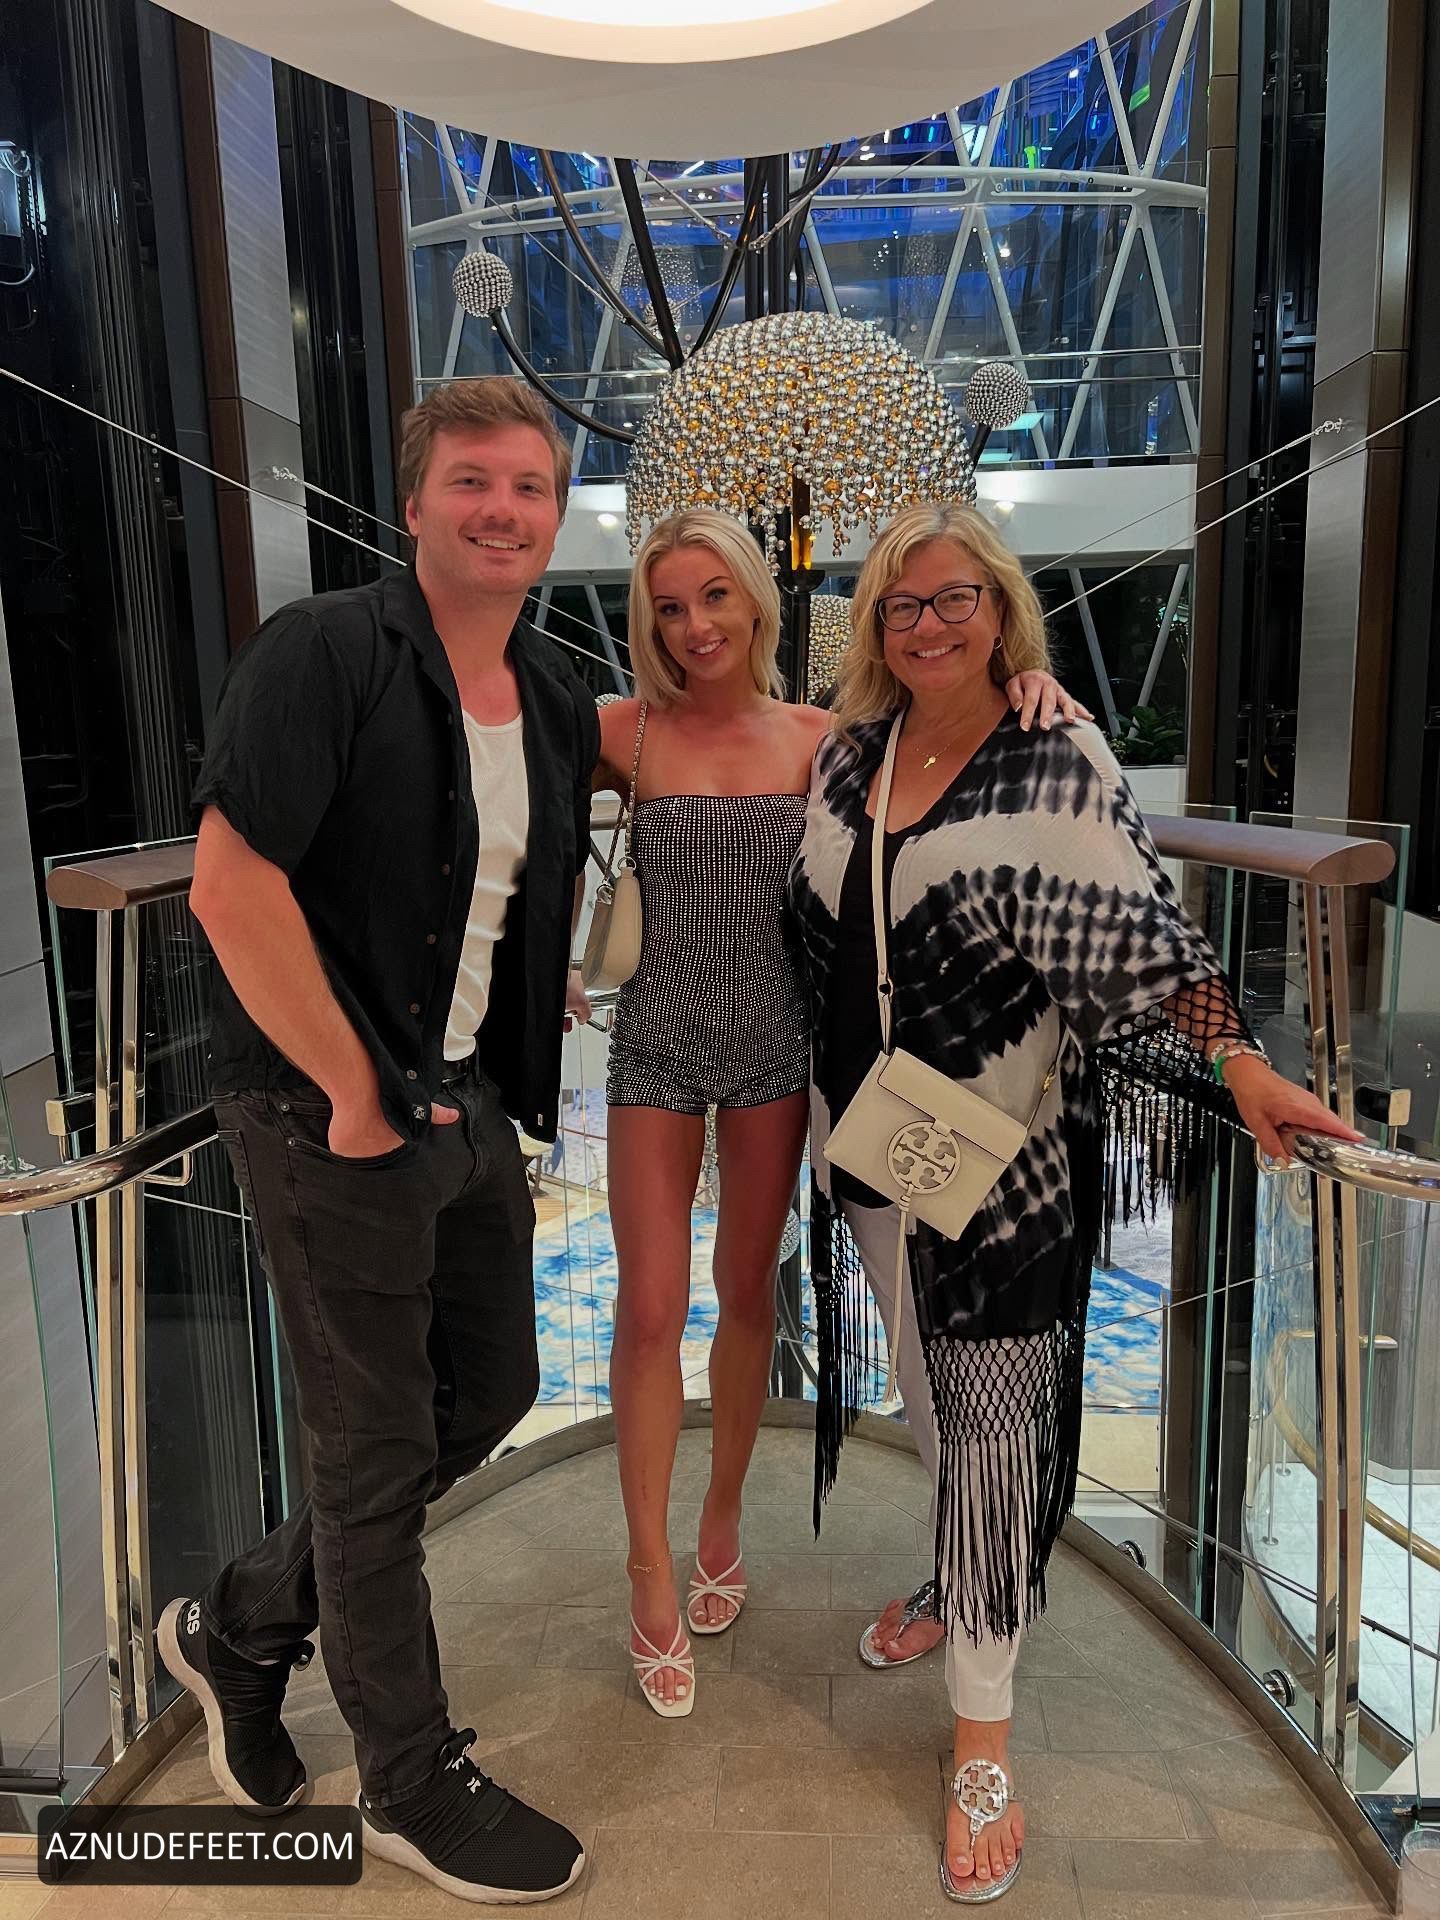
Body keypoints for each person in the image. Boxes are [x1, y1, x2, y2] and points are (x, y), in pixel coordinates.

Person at [787, 501, 1360, 1901]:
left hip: (1006, 1158)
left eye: (955, 599)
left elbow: (1145, 933)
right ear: (874, 626)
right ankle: (956, 1582)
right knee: (933, 1400)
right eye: (902, 605)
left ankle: (983, 1737)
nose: (929, 624)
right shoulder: (851, 753)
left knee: (994, 1431)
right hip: (871, 1140)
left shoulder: (1057, 753)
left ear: (1000, 607)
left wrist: (1239, 1064)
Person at [161, 377, 596, 1904]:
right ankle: (408, 1780)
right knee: (376, 1443)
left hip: (465, 1097)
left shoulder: (548, 693)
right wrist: (354, 1091)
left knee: (494, 1389)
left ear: (556, 516)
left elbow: (688, 744)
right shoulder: (327, 652)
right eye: (472, 480)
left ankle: (240, 1623)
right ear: (414, 503)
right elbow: (230, 886)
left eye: (529, 487)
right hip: (322, 1110)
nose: (501, 509)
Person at [591, 507, 1085, 1715]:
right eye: (669, 606)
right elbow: (485, 787)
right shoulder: (618, 730)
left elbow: (950, 753)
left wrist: (1031, 690)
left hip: (777, 1049)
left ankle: (720, 1521)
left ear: (757, 601)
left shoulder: (826, 741)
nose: (695, 625)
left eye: (715, 596)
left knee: (747, 1292)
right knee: (649, 1306)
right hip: (654, 1041)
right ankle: (648, 1566)